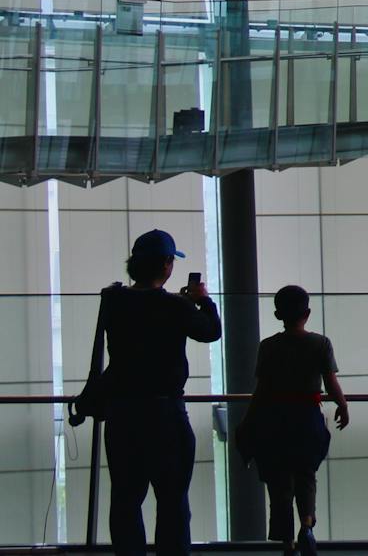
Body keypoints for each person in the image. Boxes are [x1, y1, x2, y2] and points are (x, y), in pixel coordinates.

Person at [104, 229, 222, 556]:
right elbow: (211, 331)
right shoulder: (175, 307)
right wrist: (202, 301)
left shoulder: (115, 303)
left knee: (126, 501)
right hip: (165, 416)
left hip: (123, 416)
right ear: (168, 265)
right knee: (172, 503)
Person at [244, 286, 350, 556]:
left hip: (275, 420)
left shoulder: (268, 346)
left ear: (278, 313)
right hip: (307, 418)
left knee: (279, 481)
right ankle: (307, 524)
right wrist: (342, 405)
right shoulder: (320, 343)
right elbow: (331, 382)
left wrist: (249, 421)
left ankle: (287, 541)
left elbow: (262, 389)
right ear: (308, 313)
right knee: (306, 474)